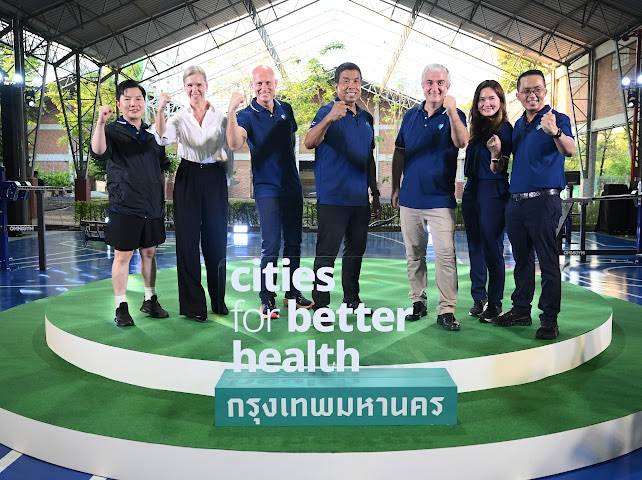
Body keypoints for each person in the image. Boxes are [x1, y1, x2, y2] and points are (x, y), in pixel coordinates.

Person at [492, 69, 576, 340]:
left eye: (537, 89)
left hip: (544, 201)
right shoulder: (518, 125)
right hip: (516, 203)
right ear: (518, 95)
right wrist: (496, 153)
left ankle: (549, 319)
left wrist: (555, 132)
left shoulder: (557, 118)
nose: (532, 94)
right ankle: (521, 310)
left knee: (548, 262)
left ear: (545, 91)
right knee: (522, 260)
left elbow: (570, 149)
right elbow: (510, 161)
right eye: (526, 90)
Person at [226, 65, 312, 319]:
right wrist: (230, 111)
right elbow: (234, 142)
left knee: (294, 243)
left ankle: (292, 293)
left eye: (268, 83)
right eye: (259, 84)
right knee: (271, 245)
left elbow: (289, 142)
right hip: (267, 188)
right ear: (253, 86)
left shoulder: (286, 109)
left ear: (275, 84)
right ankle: (267, 298)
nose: (264, 88)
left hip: (292, 186)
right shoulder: (245, 115)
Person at [391, 64, 469, 331]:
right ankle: (418, 301)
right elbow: (399, 151)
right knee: (414, 254)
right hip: (410, 198)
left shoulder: (455, 114)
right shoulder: (410, 116)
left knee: (446, 256)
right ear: (422, 85)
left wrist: (452, 112)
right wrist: (396, 187)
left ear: (448, 86)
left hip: (440, 200)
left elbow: (462, 142)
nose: (435, 87)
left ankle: (446, 309)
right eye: (430, 82)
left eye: (440, 83)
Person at [153, 66, 231, 322]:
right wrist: (160, 109)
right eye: (189, 85)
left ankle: (218, 301)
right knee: (187, 242)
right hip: (187, 175)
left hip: (214, 176)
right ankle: (193, 306)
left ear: (206, 86)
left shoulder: (221, 116)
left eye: (199, 84)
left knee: (216, 240)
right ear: (184, 89)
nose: (194, 89)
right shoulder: (178, 118)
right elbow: (162, 138)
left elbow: (233, 143)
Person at [90, 79, 170, 327]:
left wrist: (161, 111)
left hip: (151, 205)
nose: (133, 103)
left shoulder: (152, 133)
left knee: (149, 252)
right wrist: (100, 122)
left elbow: (162, 163)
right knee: (123, 255)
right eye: (127, 99)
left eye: (138, 99)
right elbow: (98, 151)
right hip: (124, 204)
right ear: (119, 103)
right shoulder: (112, 130)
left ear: (144, 103)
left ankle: (150, 299)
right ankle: (121, 306)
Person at [304, 62, 381, 312]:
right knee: (326, 254)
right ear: (336, 85)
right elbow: (309, 142)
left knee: (355, 252)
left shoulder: (367, 118)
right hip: (333, 199)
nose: (351, 85)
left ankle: (352, 301)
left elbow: (369, 158)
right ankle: (321, 305)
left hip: (359, 200)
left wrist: (375, 193)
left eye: (356, 80)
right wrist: (329, 119)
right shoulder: (326, 111)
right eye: (346, 80)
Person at [461, 80, 512, 323]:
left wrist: (495, 154)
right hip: (472, 190)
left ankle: (495, 302)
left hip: (493, 190)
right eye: (481, 99)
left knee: (492, 248)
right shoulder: (477, 130)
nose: (486, 103)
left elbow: (500, 166)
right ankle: (478, 297)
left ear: (500, 101)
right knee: (475, 247)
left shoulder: (505, 129)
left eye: (491, 98)